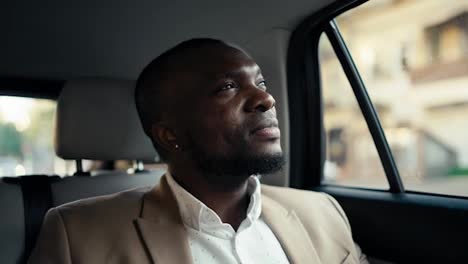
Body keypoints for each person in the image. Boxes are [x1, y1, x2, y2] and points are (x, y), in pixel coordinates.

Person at [29, 38, 368, 264]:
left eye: (261, 83)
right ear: (170, 134)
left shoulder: (323, 211)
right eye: (227, 87)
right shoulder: (76, 235)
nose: (266, 99)